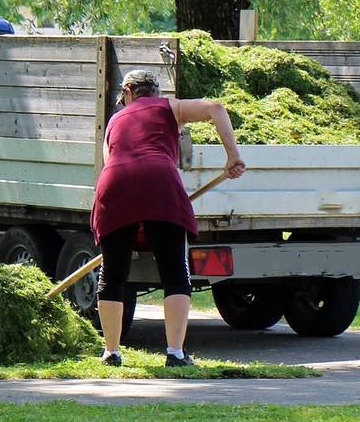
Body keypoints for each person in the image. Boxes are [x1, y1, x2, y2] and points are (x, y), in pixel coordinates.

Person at [91, 69, 245, 367]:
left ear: (129, 92)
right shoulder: (169, 106)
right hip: (160, 179)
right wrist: (232, 155)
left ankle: (112, 352)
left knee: (113, 273)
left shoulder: (113, 121)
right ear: (155, 91)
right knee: (174, 270)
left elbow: (110, 161)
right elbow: (216, 108)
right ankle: (175, 353)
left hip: (114, 182)